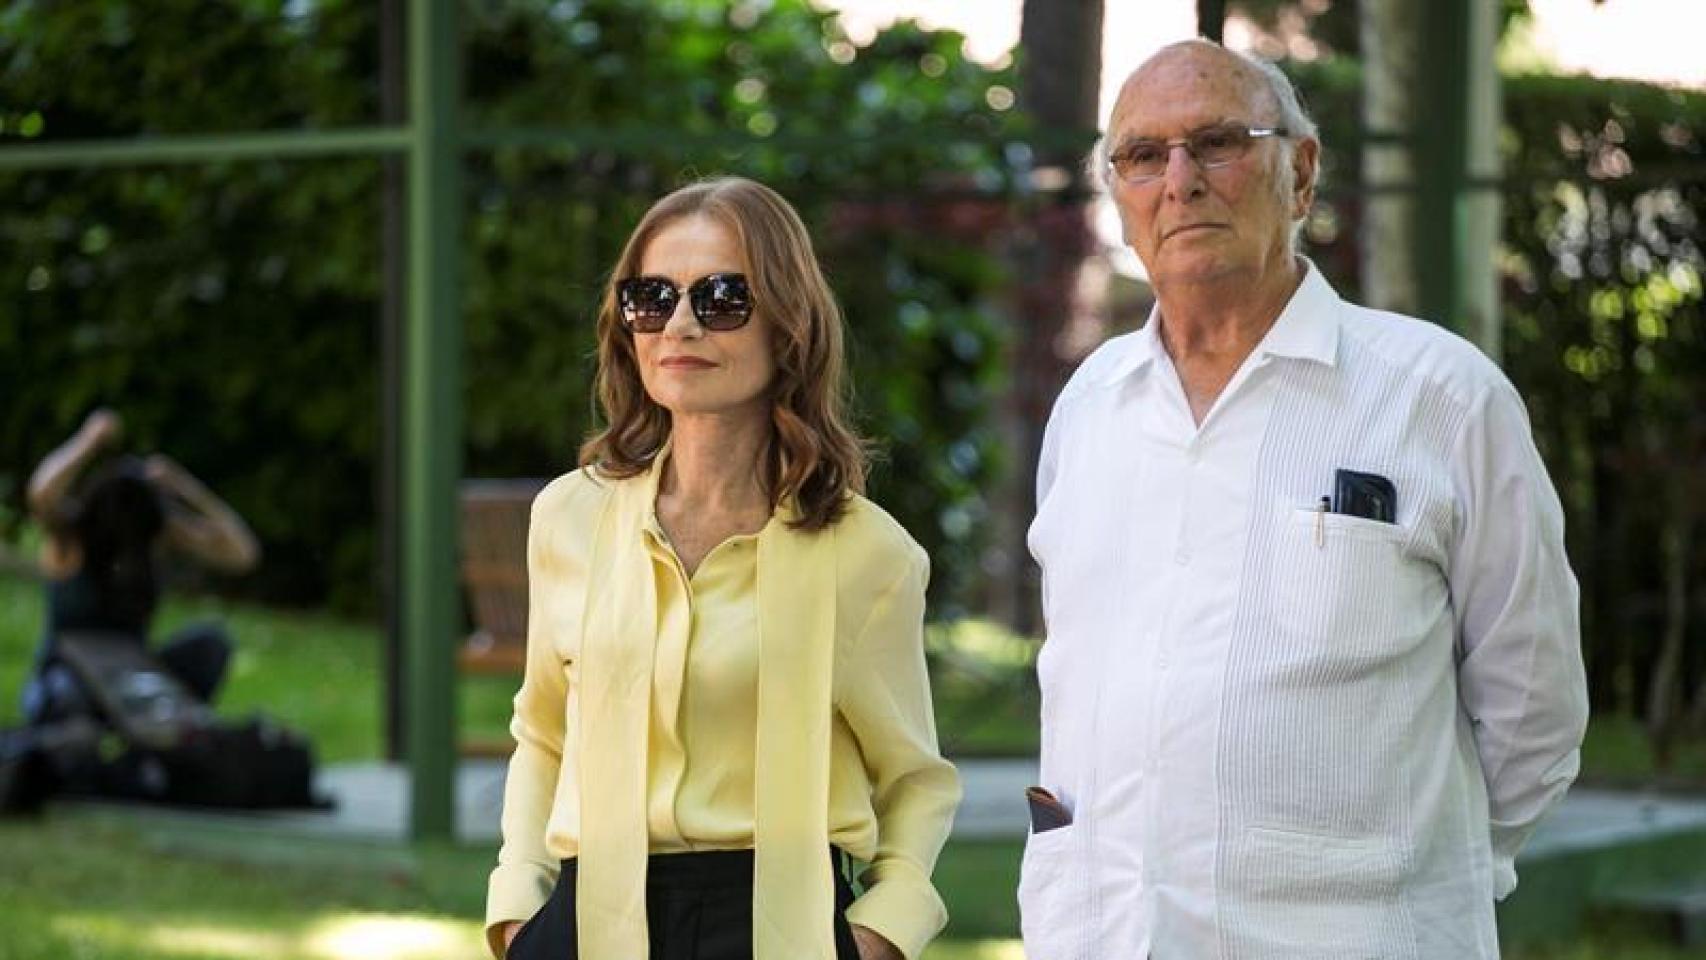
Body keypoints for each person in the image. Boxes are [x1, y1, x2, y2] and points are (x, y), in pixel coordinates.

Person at [1020, 40, 1589, 959]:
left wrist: (1418, 879)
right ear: (1118, 197)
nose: (1180, 181)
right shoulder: (1090, 405)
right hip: (1104, 935)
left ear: (1303, 171)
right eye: (1141, 156)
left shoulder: (1440, 396)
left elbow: (1535, 709)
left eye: (1217, 142)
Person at [484, 177, 961, 960]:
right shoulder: (567, 519)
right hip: (581, 922)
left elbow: (915, 779)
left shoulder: (868, 554)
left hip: (772, 927)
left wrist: (884, 932)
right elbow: (541, 733)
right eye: (652, 297)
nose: (679, 324)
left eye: (722, 298)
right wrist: (516, 909)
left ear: (788, 326)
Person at [19, 408, 261, 725]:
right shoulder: (72, 540)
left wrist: (186, 488)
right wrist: (88, 441)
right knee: (70, 696)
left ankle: (178, 732)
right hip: (68, 680)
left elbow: (242, 554)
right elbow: (42, 493)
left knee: (211, 643)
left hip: (132, 675)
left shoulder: (153, 540)